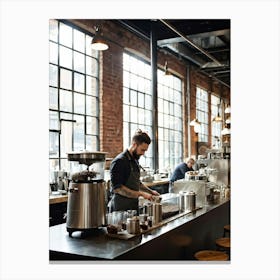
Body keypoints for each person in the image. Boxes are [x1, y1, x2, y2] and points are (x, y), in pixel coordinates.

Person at [109, 129, 160, 212]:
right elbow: (118, 188)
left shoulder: (135, 160)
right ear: (134, 145)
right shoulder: (119, 161)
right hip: (120, 208)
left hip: (132, 206)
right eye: (142, 150)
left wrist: (150, 191)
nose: (143, 153)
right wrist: (141, 194)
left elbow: (137, 182)